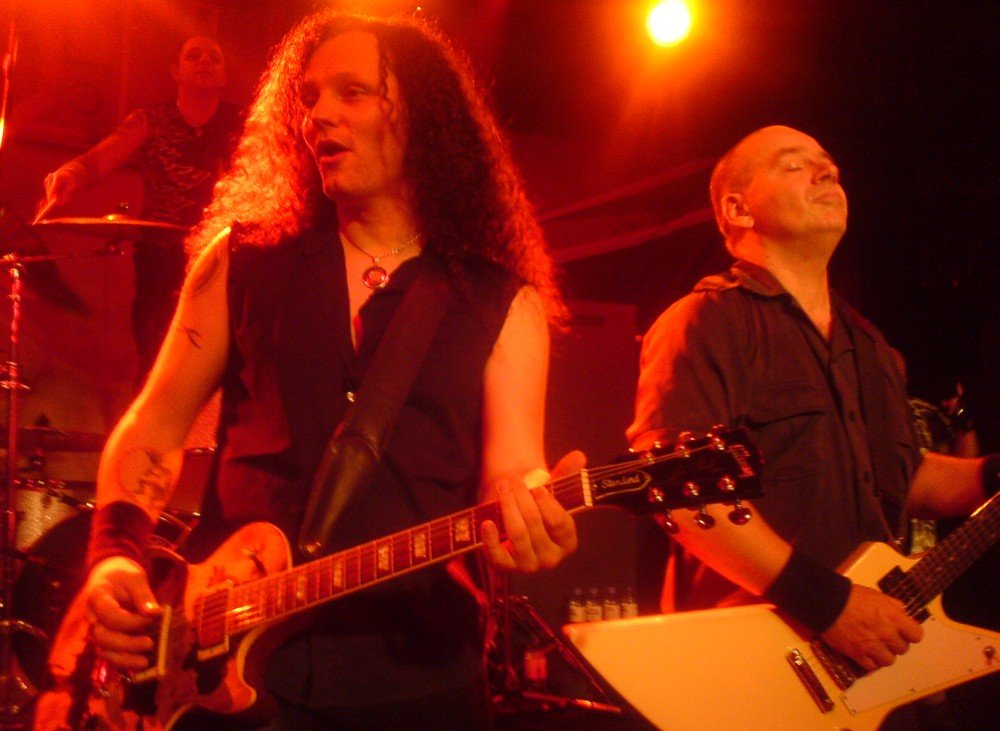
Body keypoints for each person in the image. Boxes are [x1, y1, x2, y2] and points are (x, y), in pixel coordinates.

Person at [75, 11, 579, 729]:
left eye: (353, 92)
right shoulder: (241, 262)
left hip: (415, 679)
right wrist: (114, 556)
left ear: (424, 114)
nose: (318, 116)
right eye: (309, 97)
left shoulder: (501, 301)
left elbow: (515, 470)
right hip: (220, 666)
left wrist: (529, 513)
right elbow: (154, 427)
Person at [628, 125, 999, 674]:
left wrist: (989, 476)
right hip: (752, 665)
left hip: (867, 664)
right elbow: (679, 493)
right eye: (793, 164)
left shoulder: (870, 346)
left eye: (827, 163)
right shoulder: (703, 323)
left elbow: (904, 478)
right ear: (738, 209)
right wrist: (828, 605)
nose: (828, 171)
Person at [42, 36, 243, 379]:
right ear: (175, 71)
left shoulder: (242, 123)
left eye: (214, 57)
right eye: (194, 56)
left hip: (223, 261)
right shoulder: (149, 120)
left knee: (221, 370)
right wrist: (71, 173)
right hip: (161, 264)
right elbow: (100, 158)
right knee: (157, 364)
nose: (205, 61)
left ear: (224, 76)